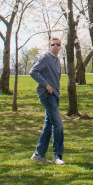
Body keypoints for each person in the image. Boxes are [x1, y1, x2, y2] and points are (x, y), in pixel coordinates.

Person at [28, 36, 65, 165]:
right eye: (53, 44)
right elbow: (33, 72)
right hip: (46, 94)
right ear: (49, 46)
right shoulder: (45, 57)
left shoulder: (57, 60)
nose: (55, 46)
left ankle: (38, 155)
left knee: (49, 124)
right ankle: (57, 155)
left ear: (60, 47)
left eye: (58, 44)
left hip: (54, 95)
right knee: (58, 124)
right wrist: (46, 85)